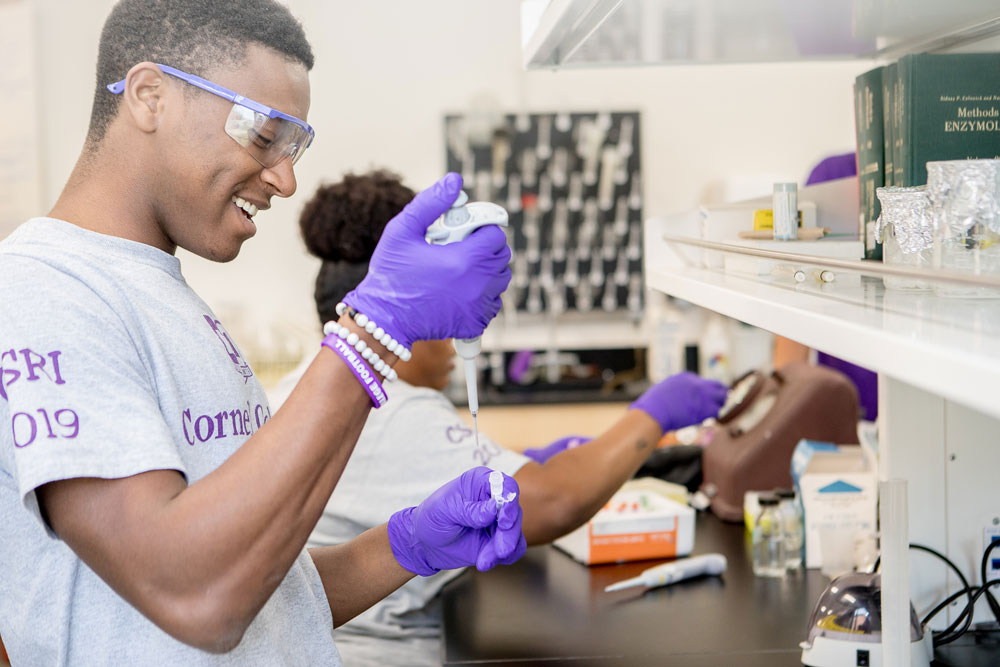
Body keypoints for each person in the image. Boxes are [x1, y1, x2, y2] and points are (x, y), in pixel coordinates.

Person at [0, 2, 526, 665]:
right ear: (149, 95)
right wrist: (376, 327)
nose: (285, 177)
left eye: (295, 143)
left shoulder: (165, 294)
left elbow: (263, 600)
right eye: (263, 134)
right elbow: (197, 596)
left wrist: (406, 544)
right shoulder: (43, 291)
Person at [268, 169, 729, 666]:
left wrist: (522, 460)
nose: (451, 340)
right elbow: (555, 501)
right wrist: (655, 413)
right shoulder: (394, 406)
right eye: (440, 318)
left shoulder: (300, 388)